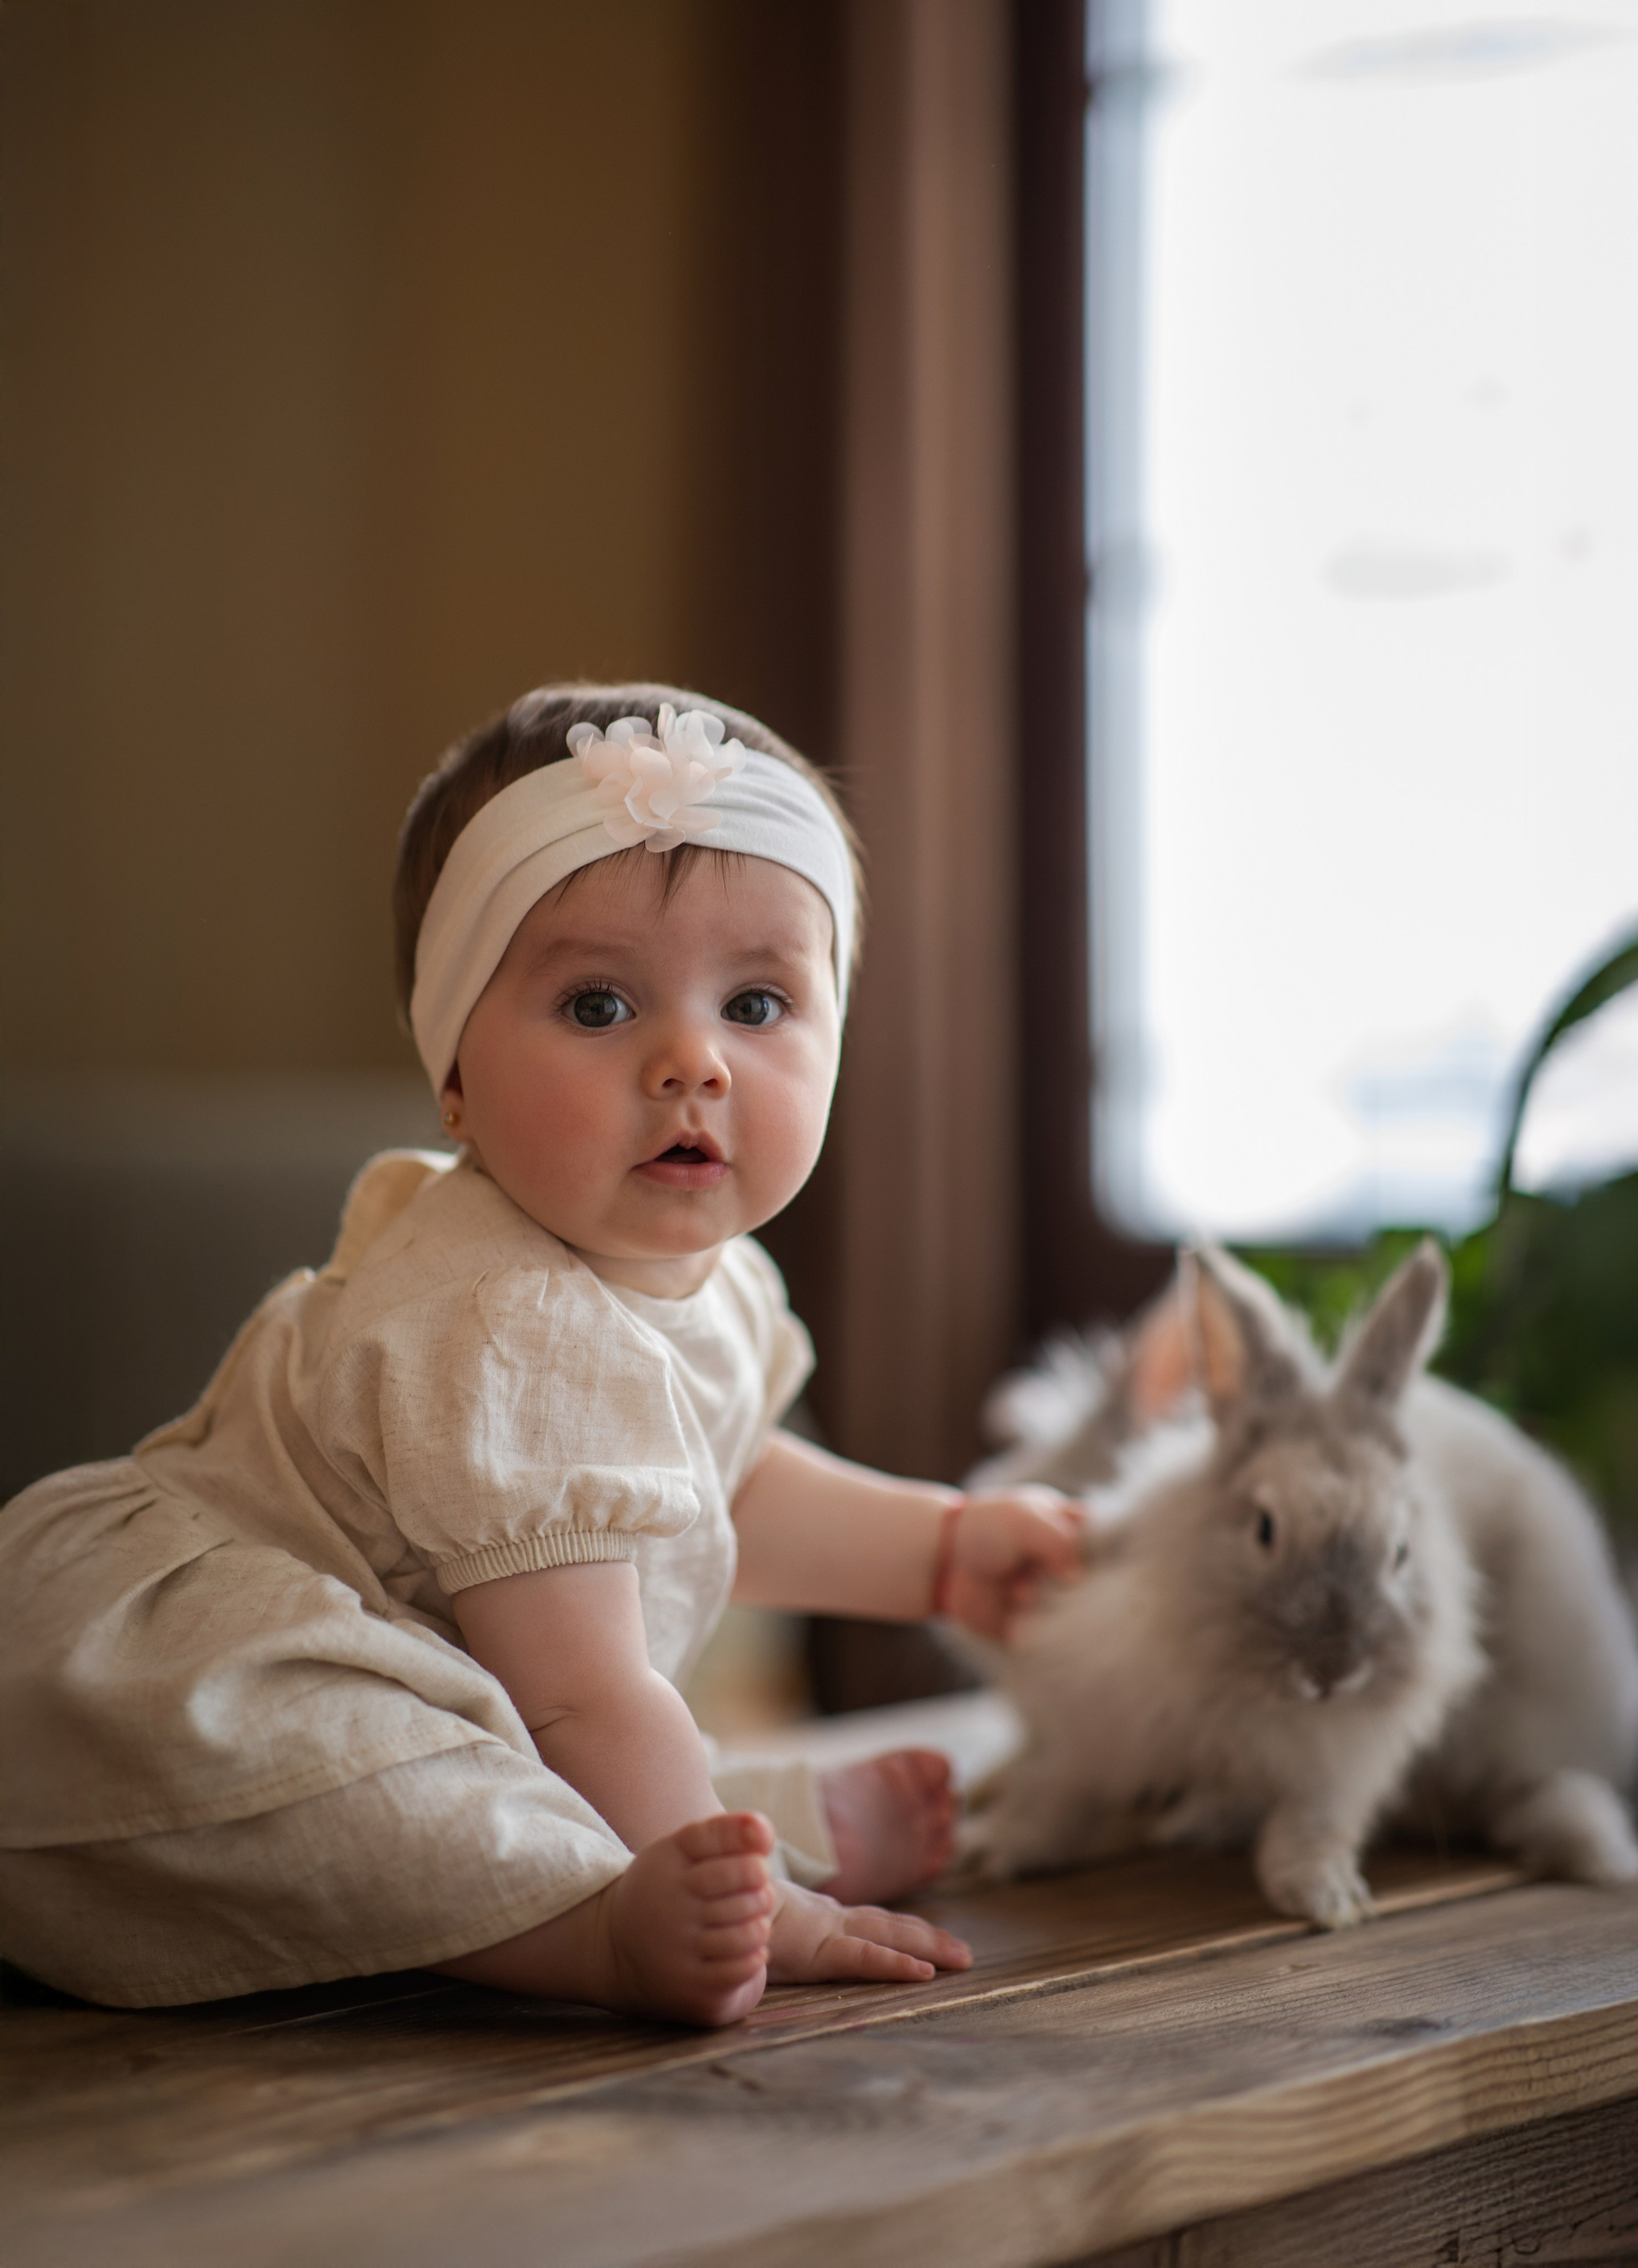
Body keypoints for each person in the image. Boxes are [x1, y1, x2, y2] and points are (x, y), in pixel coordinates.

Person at [0, 684, 1080, 2024]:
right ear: (452, 1071)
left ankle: (743, 1829)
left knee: (508, 1755)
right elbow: (580, 1697)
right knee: (380, 1767)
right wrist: (780, 1929)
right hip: (153, 1714)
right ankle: (595, 1926)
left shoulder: (717, 1276)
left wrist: (939, 1546)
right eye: (596, 1007)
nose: (692, 1061)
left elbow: (720, 1490)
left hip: (482, 1698)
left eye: (755, 1001)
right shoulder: (503, 1315)